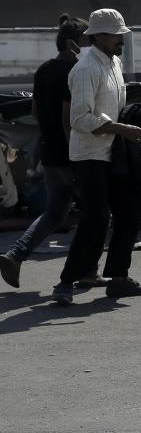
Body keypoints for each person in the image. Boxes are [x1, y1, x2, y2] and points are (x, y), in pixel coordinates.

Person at [51, 8, 141, 305]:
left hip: (113, 150)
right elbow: (81, 119)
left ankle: (119, 278)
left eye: (121, 35)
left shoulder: (114, 63)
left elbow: (111, 105)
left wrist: (131, 119)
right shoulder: (85, 69)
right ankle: (65, 281)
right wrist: (122, 128)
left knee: (129, 210)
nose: (120, 40)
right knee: (96, 218)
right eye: (115, 35)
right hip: (89, 155)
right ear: (98, 37)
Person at [0, 14, 106, 289]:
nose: (91, 45)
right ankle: (87, 271)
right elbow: (68, 117)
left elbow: (36, 111)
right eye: (87, 40)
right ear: (73, 43)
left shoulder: (44, 70)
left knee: (55, 212)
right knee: (96, 210)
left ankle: (15, 255)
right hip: (73, 154)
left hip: (49, 152)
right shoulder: (76, 70)